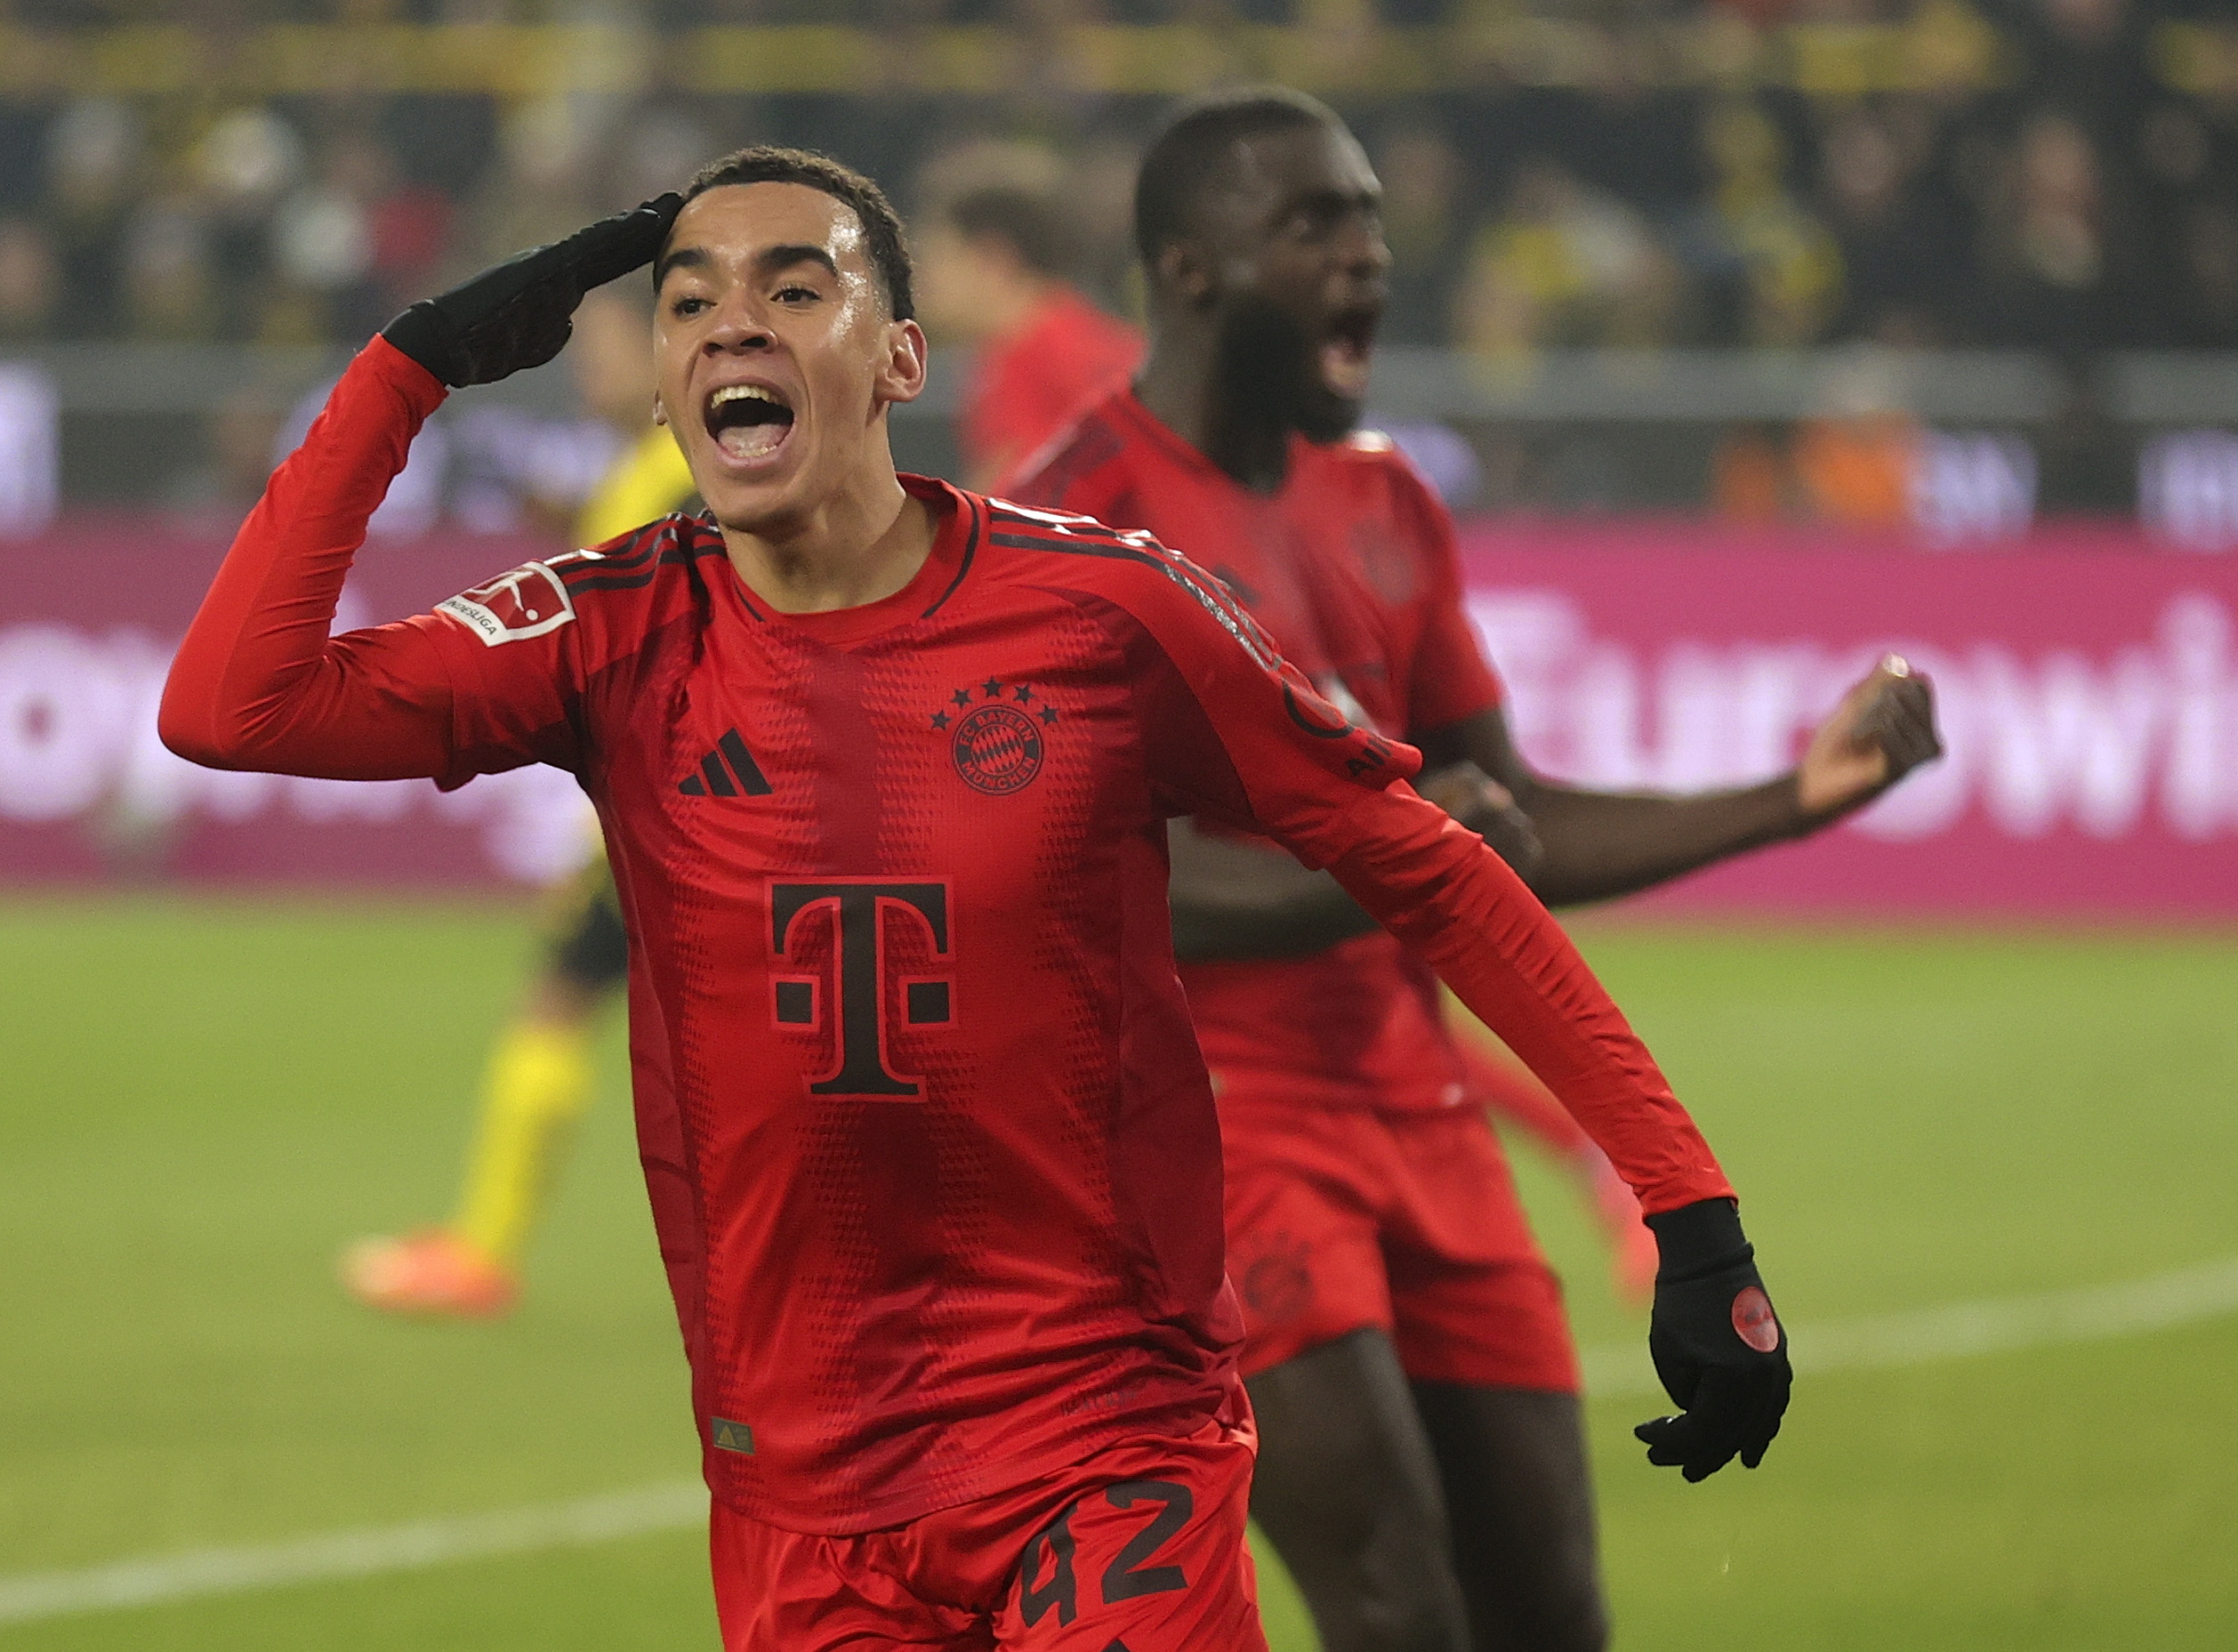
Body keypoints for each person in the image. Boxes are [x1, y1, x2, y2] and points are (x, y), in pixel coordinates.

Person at [161, 148, 1791, 1652]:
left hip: (1103, 1446)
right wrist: (411, 367)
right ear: (663, 385)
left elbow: (1427, 862)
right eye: (688, 301)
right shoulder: (610, 633)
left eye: (796, 286)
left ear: (897, 360)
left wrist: (1688, 1209)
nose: (736, 321)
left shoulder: (1100, 611)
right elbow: (230, 708)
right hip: (801, 1494)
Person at [1008, 90, 1938, 1652]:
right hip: (1216, 1139)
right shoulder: (1065, 523)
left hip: (1423, 1122)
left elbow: (1510, 824)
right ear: (1187, 266)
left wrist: (1792, 793)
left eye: (1368, 220)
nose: (1365, 257)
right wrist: (1397, 855)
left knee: (1549, 1618)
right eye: (1312, 225)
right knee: (1395, 1606)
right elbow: (1085, 888)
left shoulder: (1382, 498)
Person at [343, 287, 696, 1318]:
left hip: (675, 799)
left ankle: (482, 1251)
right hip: (673, 795)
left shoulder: (680, 476)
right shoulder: (649, 470)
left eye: (608, 352)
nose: (587, 375)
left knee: (563, 1003)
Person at [911, 152, 1144, 487]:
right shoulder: (1007, 353)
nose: (922, 279)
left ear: (991, 259)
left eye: (936, 258)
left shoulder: (1063, 354)